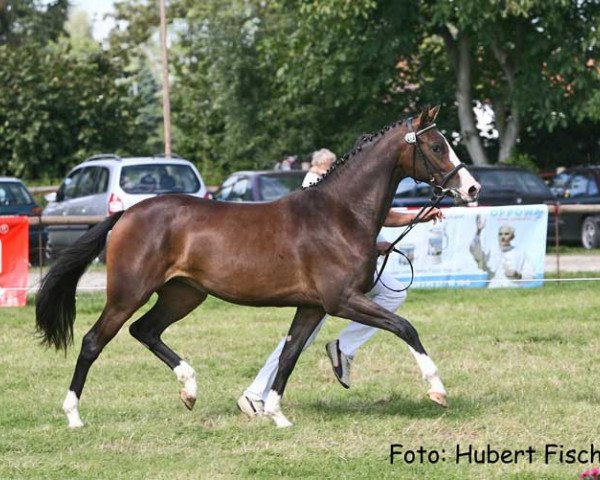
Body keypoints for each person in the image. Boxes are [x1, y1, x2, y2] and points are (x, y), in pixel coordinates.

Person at [237, 148, 444, 418]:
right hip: (325, 273)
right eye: (331, 166)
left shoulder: (338, 186)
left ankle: (343, 348)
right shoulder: (314, 186)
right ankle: (256, 392)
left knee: (393, 292)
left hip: (346, 267)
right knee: (300, 337)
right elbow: (325, 232)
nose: (336, 170)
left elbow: (374, 216)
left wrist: (413, 219)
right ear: (320, 165)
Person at [469, 215, 535, 288]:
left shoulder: (519, 253)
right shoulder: (491, 251)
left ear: (512, 237)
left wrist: (517, 275)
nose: (503, 237)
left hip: (513, 288)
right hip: (493, 288)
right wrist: (478, 231)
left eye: (506, 234)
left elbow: (531, 275)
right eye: (500, 234)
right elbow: (475, 252)